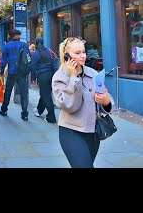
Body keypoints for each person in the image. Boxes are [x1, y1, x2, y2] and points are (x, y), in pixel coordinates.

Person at [52, 36, 114, 168]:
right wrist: (73, 77)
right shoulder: (60, 77)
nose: (83, 56)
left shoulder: (93, 73)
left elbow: (107, 105)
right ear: (67, 55)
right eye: (77, 53)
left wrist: (104, 100)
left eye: (84, 52)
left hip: (93, 132)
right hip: (71, 131)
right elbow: (69, 106)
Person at [0, 29, 31, 121]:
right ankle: (25, 114)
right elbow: (28, 58)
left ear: (11, 36)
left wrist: (1, 71)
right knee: (23, 93)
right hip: (22, 72)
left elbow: (3, 60)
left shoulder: (7, 46)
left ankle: (4, 109)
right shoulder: (24, 45)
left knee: (8, 91)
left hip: (12, 71)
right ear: (19, 36)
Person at [30, 37, 57, 123]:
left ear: (36, 43)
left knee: (46, 96)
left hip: (42, 76)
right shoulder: (49, 51)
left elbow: (33, 67)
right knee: (45, 94)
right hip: (52, 75)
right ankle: (39, 110)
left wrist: (33, 78)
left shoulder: (36, 54)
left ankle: (51, 117)